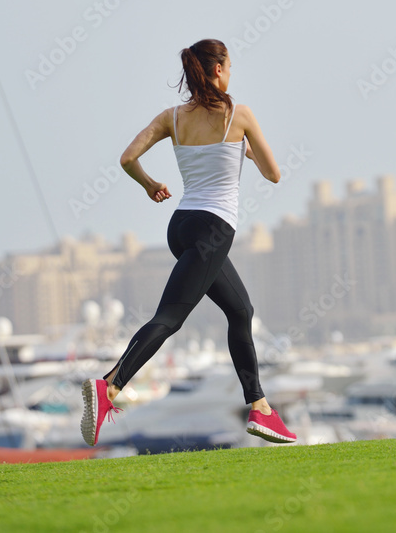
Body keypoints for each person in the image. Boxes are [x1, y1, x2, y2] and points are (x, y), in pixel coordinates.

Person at [80, 38, 296, 446]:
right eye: (228, 66)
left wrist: (149, 185)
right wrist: (246, 152)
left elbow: (127, 158)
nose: (230, 72)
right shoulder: (240, 114)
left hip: (181, 226)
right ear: (218, 70)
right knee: (170, 317)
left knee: (241, 310)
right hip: (214, 228)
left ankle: (261, 408)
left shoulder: (172, 118)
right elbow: (274, 175)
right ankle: (109, 386)